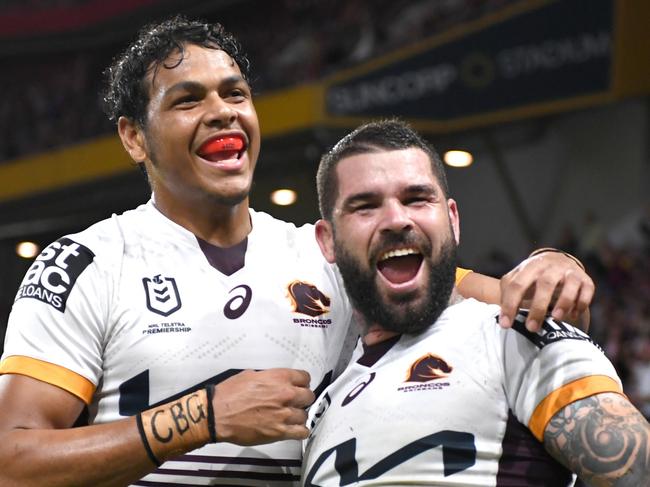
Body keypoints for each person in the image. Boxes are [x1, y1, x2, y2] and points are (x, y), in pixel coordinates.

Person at [0, 17, 594, 487]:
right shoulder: (87, 263)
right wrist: (200, 418)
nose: (222, 111)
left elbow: (516, 302)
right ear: (134, 137)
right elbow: (13, 461)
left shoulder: (323, 257)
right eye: (187, 101)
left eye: (235, 92)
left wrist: (553, 265)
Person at [302, 119, 650, 486]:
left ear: (452, 220)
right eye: (365, 206)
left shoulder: (513, 338)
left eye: (416, 198)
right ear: (327, 240)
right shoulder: (319, 412)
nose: (396, 219)